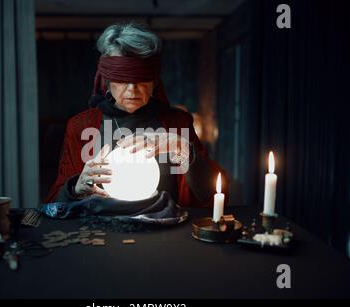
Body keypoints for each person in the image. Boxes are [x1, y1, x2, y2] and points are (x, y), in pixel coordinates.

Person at [45, 23, 228, 208]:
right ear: (107, 80)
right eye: (122, 78)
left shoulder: (177, 123)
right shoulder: (82, 126)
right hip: (99, 232)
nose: (132, 89)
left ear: (154, 81)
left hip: (165, 231)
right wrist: (75, 188)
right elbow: (55, 203)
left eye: (141, 79)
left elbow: (212, 194)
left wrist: (183, 148)